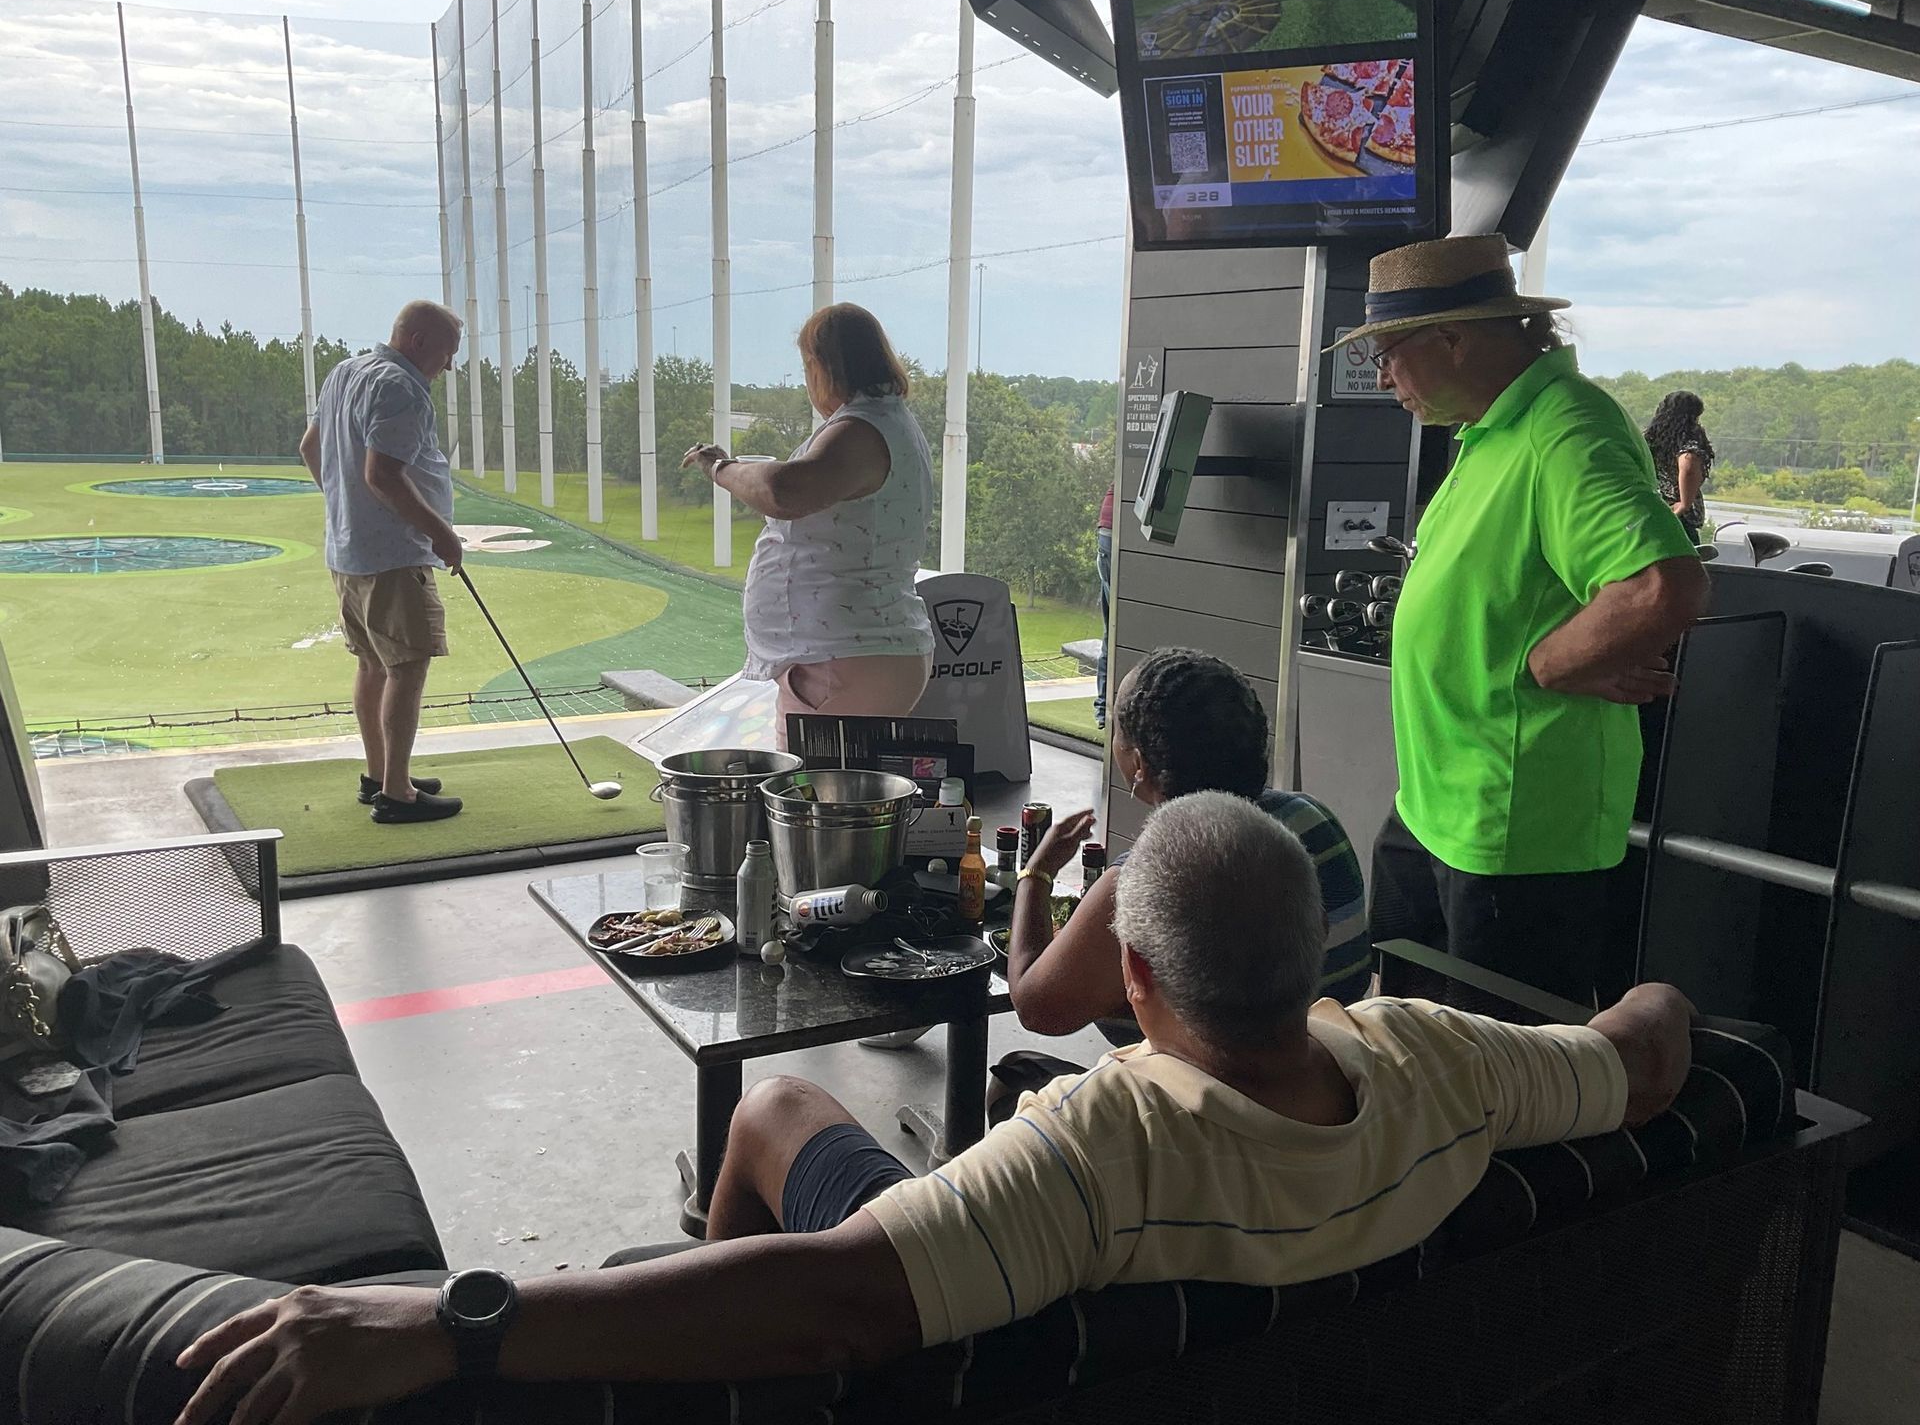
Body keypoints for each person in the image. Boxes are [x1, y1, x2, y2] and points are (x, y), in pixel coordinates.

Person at [172, 792, 1694, 1425]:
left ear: (1137, 978)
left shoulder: (1103, 1155)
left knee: (775, 1107)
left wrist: (461, 1322)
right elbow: (1645, 1052)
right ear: (1316, 957)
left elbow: (840, 1306)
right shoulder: (1441, 1060)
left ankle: (692, 1314)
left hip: (1008, 1318)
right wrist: (1667, 994)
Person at [1334, 235, 1710, 1002]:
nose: (1381, 376)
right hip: (1434, 806)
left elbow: (1661, 586)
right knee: (1406, 1038)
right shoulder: (1491, 429)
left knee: (1499, 1065)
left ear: (1453, 339)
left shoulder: (1565, 429)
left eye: (1388, 352)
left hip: (1513, 835)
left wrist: (1548, 664)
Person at [1006, 648, 1371, 1063]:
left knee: (1013, 1074)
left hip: (1218, 1091)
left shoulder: (1153, 880)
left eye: (1117, 727)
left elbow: (1036, 1007)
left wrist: (1037, 872)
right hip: (1329, 1064)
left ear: (1138, 763)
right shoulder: (1314, 819)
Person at [683, 303, 933, 750]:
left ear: (822, 366)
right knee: (834, 787)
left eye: (807, 366)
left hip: (843, 660)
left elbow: (784, 491)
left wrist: (720, 468)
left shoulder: (860, 430)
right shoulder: (882, 422)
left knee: (817, 792)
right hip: (849, 655)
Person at [300, 300, 467, 825]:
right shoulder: (401, 387)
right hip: (393, 557)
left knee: (372, 664)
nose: (448, 366)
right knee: (407, 667)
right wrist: (442, 534)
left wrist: (346, 506)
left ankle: (380, 775)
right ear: (419, 342)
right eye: (448, 353)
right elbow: (383, 476)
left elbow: (309, 448)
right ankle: (397, 794)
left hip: (349, 551)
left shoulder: (344, 372)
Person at [1645, 390, 1715, 545]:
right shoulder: (1689, 443)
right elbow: (1689, 465)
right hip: (1679, 518)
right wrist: (1684, 504)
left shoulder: (1650, 441)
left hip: (1652, 511)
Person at [1095, 484, 1114, 729]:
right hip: (1114, 535)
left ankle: (1103, 710)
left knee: (1112, 632)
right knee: (1114, 633)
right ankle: (1104, 710)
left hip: (1108, 536)